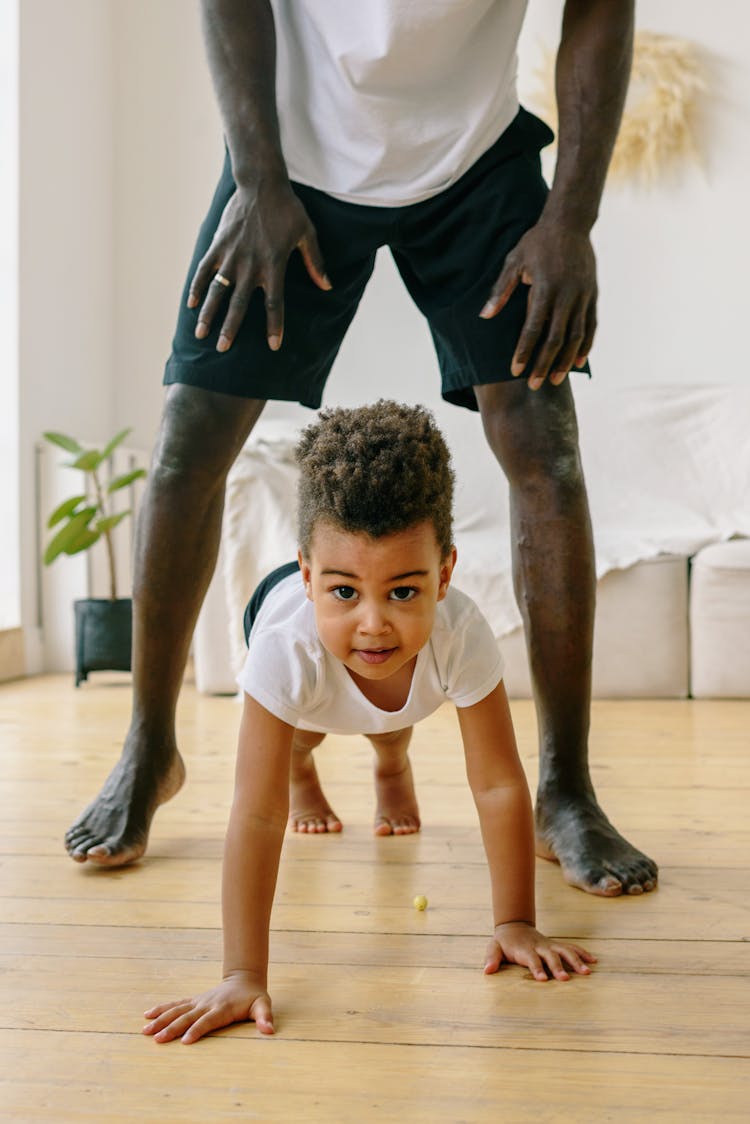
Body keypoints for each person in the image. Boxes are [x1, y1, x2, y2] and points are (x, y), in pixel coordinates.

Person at [65, 0, 658, 897]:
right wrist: (256, 176)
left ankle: (566, 789)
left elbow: (602, 9)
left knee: (548, 450)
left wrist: (569, 220)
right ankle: (149, 750)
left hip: (477, 166)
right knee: (190, 439)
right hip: (289, 165)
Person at [142, 402, 597, 1043]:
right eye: (346, 592)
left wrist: (515, 922)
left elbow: (497, 783)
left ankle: (392, 765)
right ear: (308, 574)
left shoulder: (462, 633)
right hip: (278, 627)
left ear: (443, 576)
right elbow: (256, 812)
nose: (375, 622)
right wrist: (242, 972)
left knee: (391, 716)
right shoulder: (286, 649)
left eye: (404, 591)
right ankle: (307, 769)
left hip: (399, 690)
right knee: (303, 735)